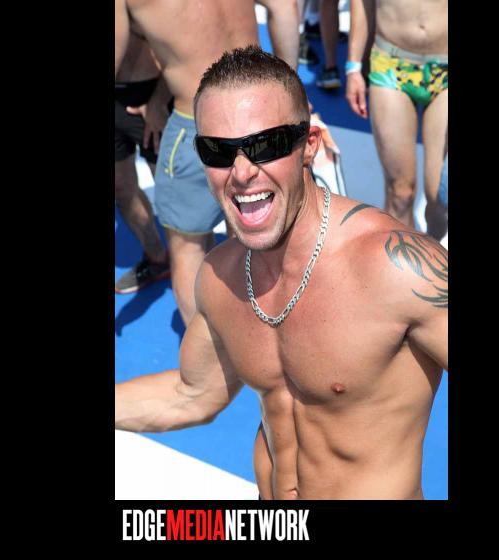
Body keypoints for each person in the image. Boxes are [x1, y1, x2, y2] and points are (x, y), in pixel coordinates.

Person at [115, 46, 448, 500]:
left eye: (265, 146)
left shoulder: (398, 269)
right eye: (218, 151)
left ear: (308, 145)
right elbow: (191, 394)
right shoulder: (222, 275)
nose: (241, 172)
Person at [115, 0, 274, 326]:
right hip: (248, 108)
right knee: (250, 230)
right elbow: (283, 11)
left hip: (184, 109)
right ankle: (253, 328)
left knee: (189, 242)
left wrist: (158, 96)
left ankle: (214, 340)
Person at [345, 0, 448, 240]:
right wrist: (353, 66)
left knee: (441, 200)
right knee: (400, 193)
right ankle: (402, 260)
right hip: (390, 65)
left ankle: (429, 252)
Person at [115, 31, 171, 294]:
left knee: (175, 192)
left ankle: (203, 266)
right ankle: (157, 258)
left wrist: (160, 99)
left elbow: (180, 39)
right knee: (121, 188)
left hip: (150, 91)